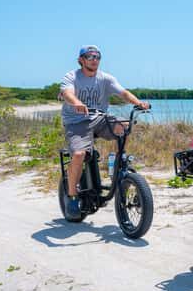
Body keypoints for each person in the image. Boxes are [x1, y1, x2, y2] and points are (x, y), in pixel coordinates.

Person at [59, 45, 149, 220]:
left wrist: (138, 103)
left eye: (97, 56)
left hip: (99, 118)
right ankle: (71, 197)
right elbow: (67, 92)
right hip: (77, 121)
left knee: (124, 126)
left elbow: (123, 92)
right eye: (90, 56)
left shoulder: (105, 78)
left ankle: (120, 160)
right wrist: (76, 103)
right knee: (78, 154)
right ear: (81, 60)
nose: (94, 59)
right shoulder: (72, 76)